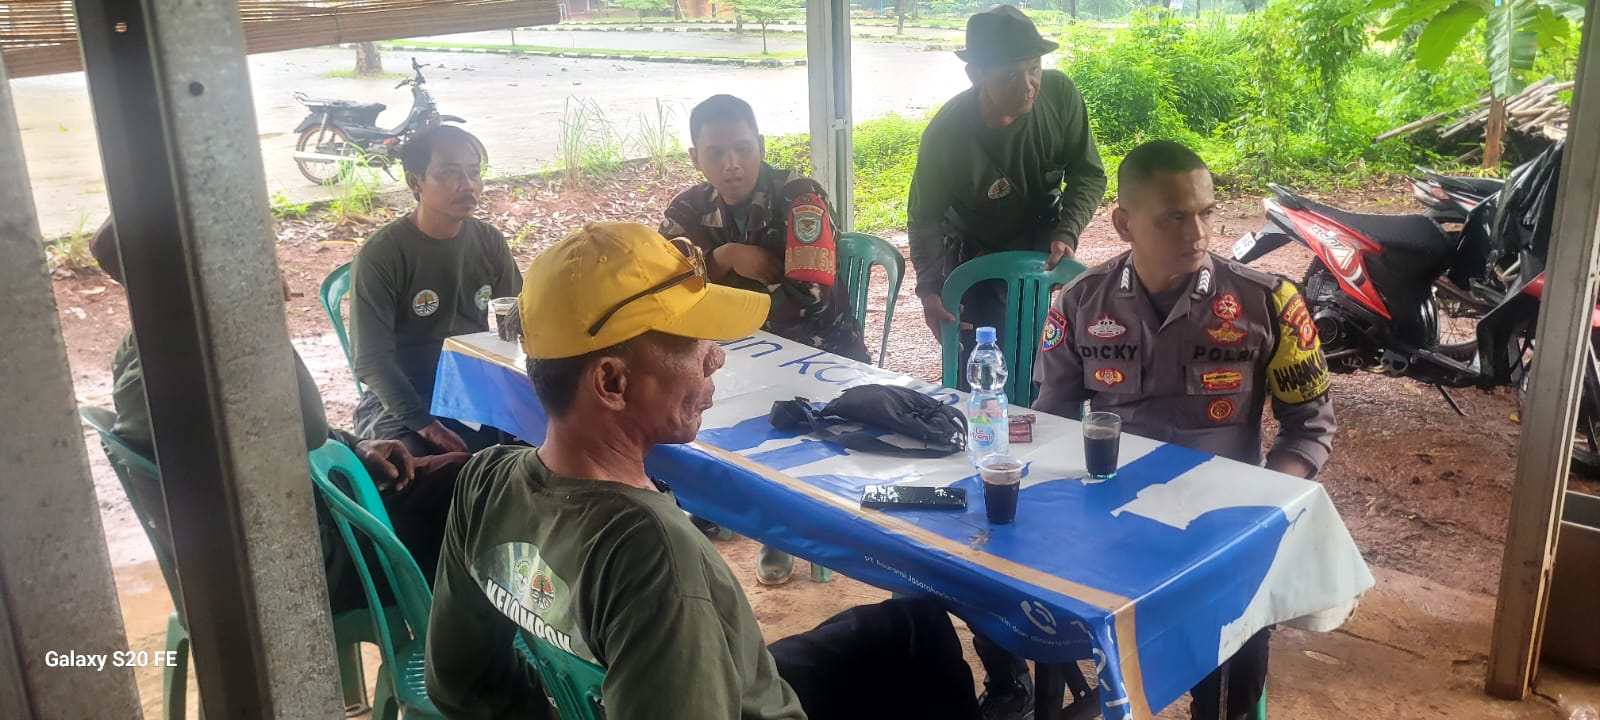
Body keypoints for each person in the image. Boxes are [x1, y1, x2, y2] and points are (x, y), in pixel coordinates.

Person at [424, 222, 981, 720]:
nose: (715, 355)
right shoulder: (653, 558)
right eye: (691, 339)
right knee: (921, 648)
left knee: (913, 628)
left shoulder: (484, 482)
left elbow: (460, 686)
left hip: (675, 682)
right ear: (612, 382)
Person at [1032, 140, 1337, 720]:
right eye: (1174, 217)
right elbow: (1051, 419)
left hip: (1219, 527)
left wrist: (1262, 507)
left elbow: (1309, 423)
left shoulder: (1268, 303)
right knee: (1021, 597)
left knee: (1234, 653)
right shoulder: (1079, 302)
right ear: (1124, 224)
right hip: (1110, 521)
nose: (1198, 233)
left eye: (1205, 212)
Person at [93, 220, 465, 614]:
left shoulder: (154, 341)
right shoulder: (175, 370)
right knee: (474, 519)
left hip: (313, 511)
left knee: (469, 474)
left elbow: (287, 430)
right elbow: (306, 427)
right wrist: (262, 321)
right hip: (301, 564)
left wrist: (358, 445)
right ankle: (462, 643)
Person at [660, 93, 872, 585]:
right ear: (696, 157)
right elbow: (665, 292)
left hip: (820, 355)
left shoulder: (800, 198)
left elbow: (810, 300)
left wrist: (711, 289)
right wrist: (727, 257)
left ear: (760, 145)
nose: (731, 164)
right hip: (733, 353)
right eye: (716, 152)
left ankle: (777, 525)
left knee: (771, 414)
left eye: (742, 148)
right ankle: (717, 501)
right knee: (680, 390)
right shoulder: (688, 209)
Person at [907, 5, 1106, 389]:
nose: (1028, 84)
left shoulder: (1060, 97)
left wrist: (1067, 231)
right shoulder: (946, 136)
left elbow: (1089, 174)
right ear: (975, 75)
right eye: (1011, 75)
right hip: (977, 260)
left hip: (1044, 253)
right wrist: (930, 290)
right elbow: (925, 218)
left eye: (1034, 69)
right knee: (984, 372)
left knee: (1050, 368)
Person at [350, 125, 520, 457]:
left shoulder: (488, 242)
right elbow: (371, 360)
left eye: (474, 172)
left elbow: (520, 318)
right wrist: (426, 426)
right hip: (402, 400)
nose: (467, 185)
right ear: (415, 182)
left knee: (534, 451)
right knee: (407, 467)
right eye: (450, 173)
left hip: (472, 388)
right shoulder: (383, 255)